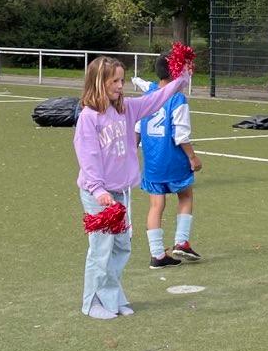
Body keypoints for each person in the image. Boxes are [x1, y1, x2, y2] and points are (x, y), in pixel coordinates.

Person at [74, 55, 192, 319]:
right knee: (101, 248)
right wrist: (98, 190)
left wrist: (180, 80)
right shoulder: (89, 117)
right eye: (114, 81)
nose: (119, 85)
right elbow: (88, 156)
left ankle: (112, 298)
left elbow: (155, 99)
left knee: (121, 247)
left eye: (121, 80)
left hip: (121, 192)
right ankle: (91, 302)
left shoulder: (126, 109)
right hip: (99, 195)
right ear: (98, 83)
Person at [137, 52, 202, 269]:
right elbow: (181, 134)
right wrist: (192, 157)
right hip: (172, 158)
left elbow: (138, 128)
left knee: (156, 205)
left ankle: (157, 254)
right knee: (185, 195)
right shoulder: (177, 98)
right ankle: (181, 242)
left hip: (153, 160)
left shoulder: (149, 93)